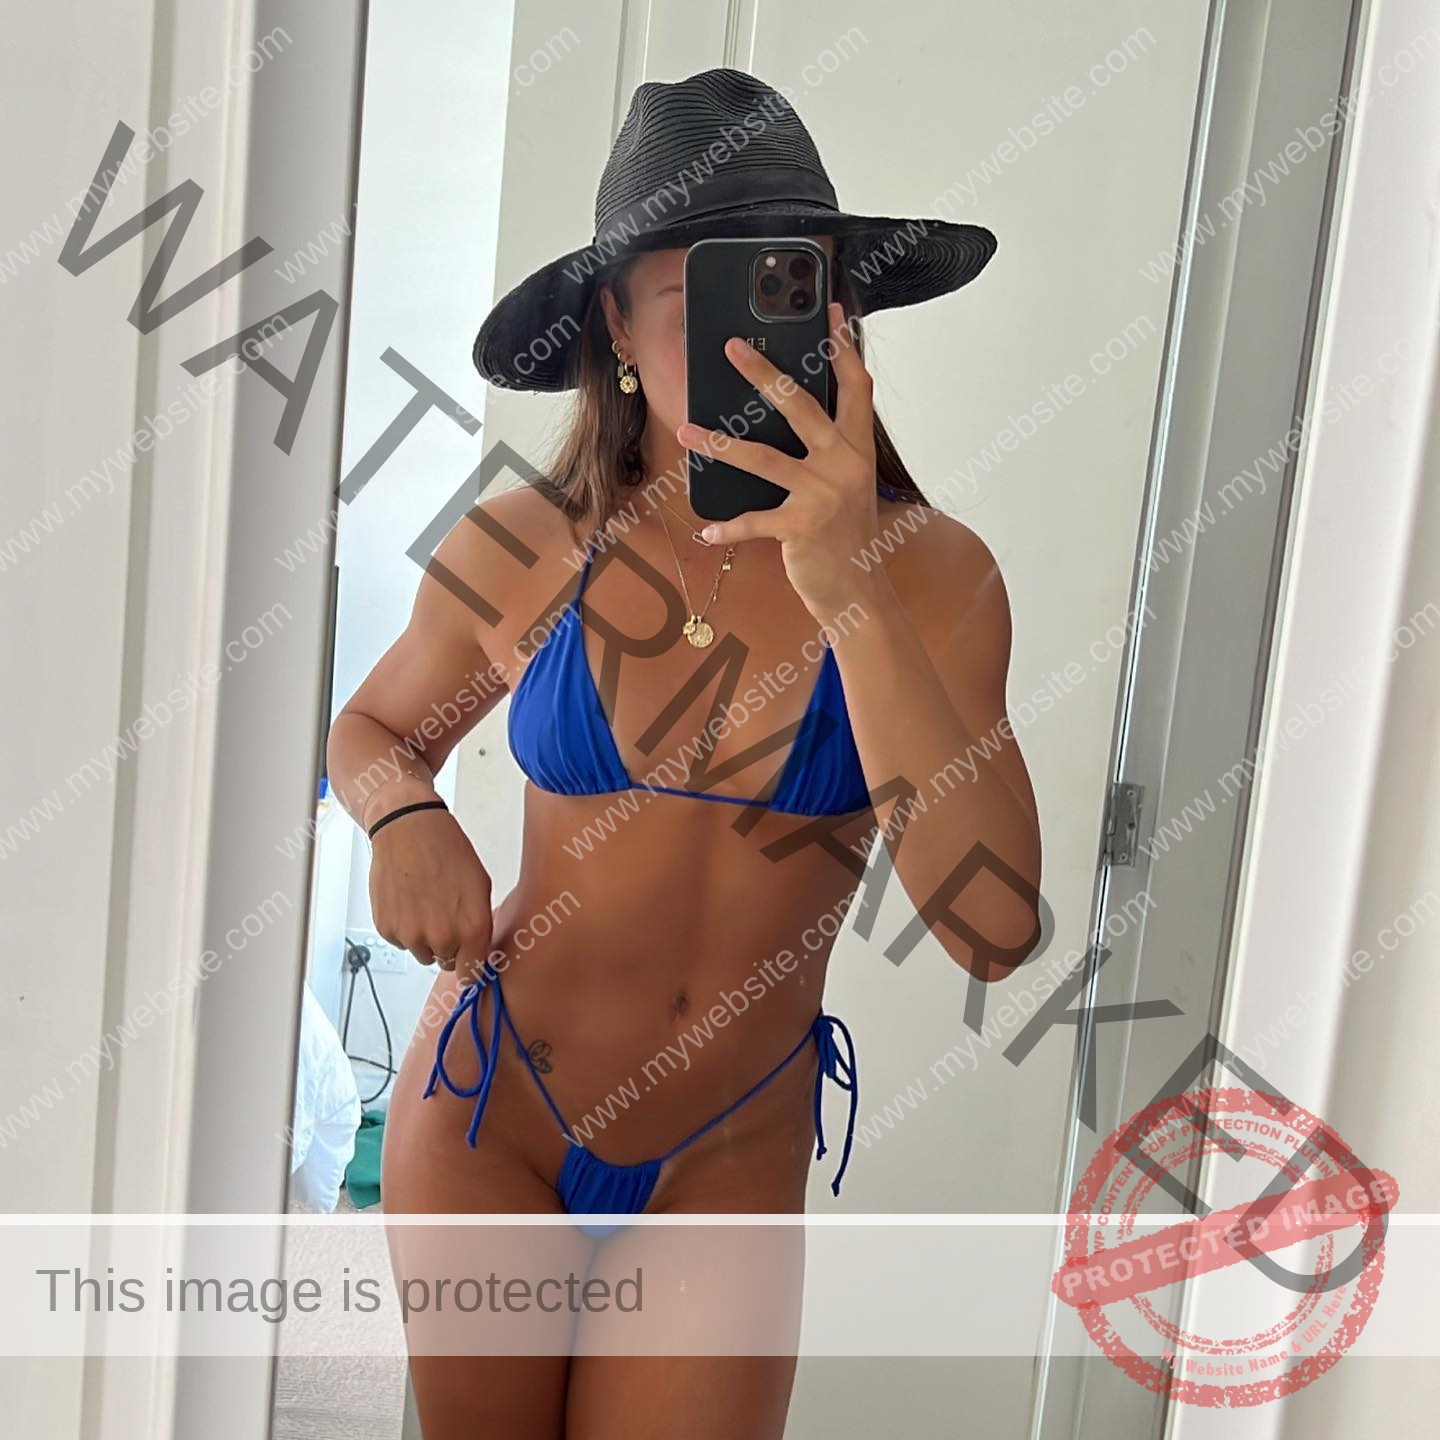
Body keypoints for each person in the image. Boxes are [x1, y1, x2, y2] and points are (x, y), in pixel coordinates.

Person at [326, 66, 1042, 1440]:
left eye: (787, 292)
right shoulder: (526, 543)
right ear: (615, 322)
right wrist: (403, 818)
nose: (751, 348)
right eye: (697, 300)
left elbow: (995, 928)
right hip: (491, 1114)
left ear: (841, 315)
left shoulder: (937, 578)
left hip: (726, 1161)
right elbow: (370, 731)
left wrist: (846, 585)